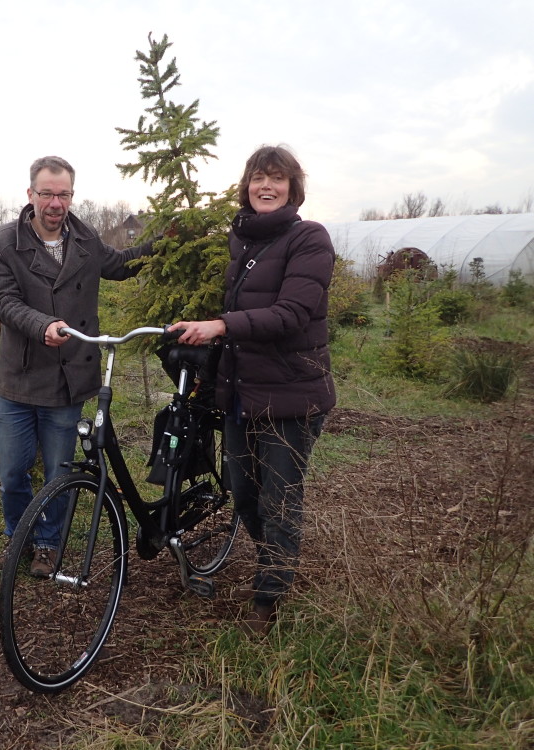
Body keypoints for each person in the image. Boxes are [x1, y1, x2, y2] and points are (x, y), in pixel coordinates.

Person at [171, 144, 335, 635]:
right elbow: (242, 322)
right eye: (258, 178)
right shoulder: (240, 242)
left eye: (277, 179)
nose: (266, 186)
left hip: (291, 397)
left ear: (292, 188)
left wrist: (219, 325)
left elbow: (291, 315)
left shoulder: (310, 239)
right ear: (247, 186)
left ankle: (270, 596)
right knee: (243, 493)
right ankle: (276, 561)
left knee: (279, 499)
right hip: (245, 396)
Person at [0, 155, 154, 577]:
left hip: (68, 379)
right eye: (47, 194)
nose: (56, 203)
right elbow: (4, 301)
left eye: (63, 194)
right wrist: (43, 325)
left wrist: (166, 243)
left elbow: (120, 263)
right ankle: (16, 538)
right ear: (30, 195)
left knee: (59, 473)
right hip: (20, 379)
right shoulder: (4, 244)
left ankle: (47, 543)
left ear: (72, 196)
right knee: (13, 470)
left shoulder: (85, 238)